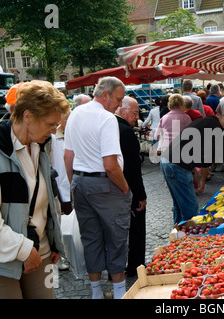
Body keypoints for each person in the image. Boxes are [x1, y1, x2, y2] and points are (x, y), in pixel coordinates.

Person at [0, 80, 69, 299]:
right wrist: (24, 250)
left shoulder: (41, 147)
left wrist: (54, 241)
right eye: (50, 124)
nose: (54, 131)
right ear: (28, 116)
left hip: (42, 253)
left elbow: (47, 201)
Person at [64, 76, 131, 299]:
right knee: (116, 235)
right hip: (105, 184)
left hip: (81, 182)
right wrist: (125, 188)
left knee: (90, 237)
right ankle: (120, 291)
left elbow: (68, 156)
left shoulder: (75, 113)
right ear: (105, 95)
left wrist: (75, 184)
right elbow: (110, 164)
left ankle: (96, 292)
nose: (120, 105)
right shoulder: (107, 118)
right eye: (118, 99)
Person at [160, 114, 224, 224]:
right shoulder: (216, 129)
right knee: (190, 207)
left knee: (179, 204)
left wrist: (194, 176)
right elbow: (206, 159)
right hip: (177, 164)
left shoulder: (204, 121)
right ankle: (189, 235)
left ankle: (178, 233)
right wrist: (202, 181)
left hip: (167, 160)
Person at [115, 97, 147, 277]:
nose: (137, 117)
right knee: (135, 228)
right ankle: (136, 264)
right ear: (122, 109)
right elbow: (133, 168)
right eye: (134, 113)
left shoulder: (110, 125)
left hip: (113, 188)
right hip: (128, 188)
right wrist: (140, 195)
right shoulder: (126, 131)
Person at [50, 106, 72, 271]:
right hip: (57, 187)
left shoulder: (68, 135)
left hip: (68, 186)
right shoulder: (52, 137)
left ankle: (69, 252)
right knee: (56, 222)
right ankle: (59, 256)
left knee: (67, 222)